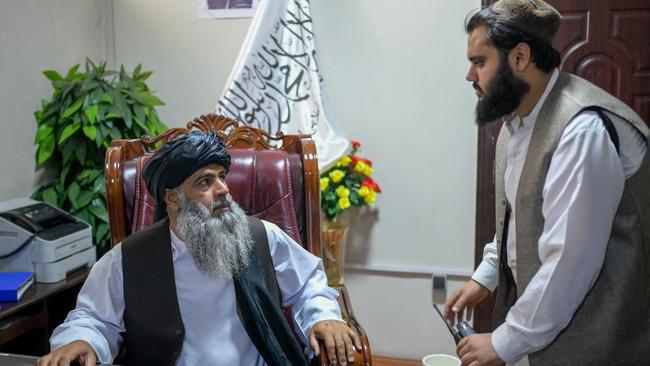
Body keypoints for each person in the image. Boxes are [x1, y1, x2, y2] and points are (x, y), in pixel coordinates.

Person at [38, 131, 361, 366]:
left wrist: (323, 318)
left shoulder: (262, 236)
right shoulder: (129, 259)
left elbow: (308, 286)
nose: (222, 189)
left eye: (221, 177)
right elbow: (94, 318)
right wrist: (81, 341)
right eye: (204, 182)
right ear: (172, 198)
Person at [445, 1, 650, 366]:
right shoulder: (515, 126)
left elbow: (570, 261)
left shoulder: (581, 131)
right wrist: (484, 278)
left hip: (600, 343)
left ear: (520, 57)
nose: (469, 75)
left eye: (479, 61)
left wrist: (505, 342)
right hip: (549, 334)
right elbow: (515, 222)